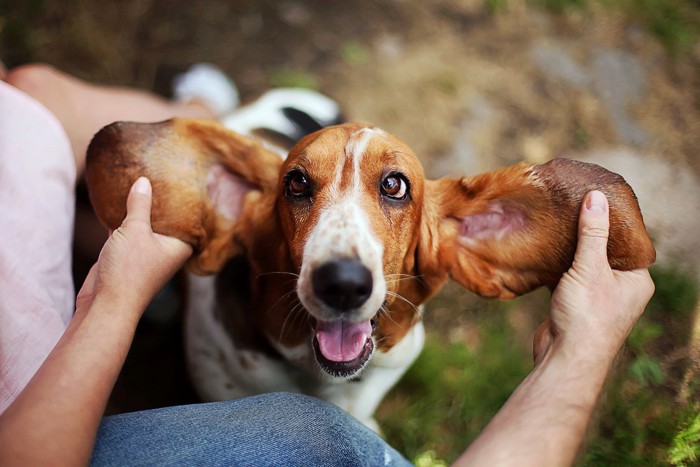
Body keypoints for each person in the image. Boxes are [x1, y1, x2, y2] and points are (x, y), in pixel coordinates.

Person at [0, 63, 654, 466]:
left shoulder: (440, 242)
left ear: (445, 228)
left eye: (392, 189)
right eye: (301, 190)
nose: (344, 268)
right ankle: (212, 112)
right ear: (254, 213)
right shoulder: (244, 223)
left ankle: (209, 105)